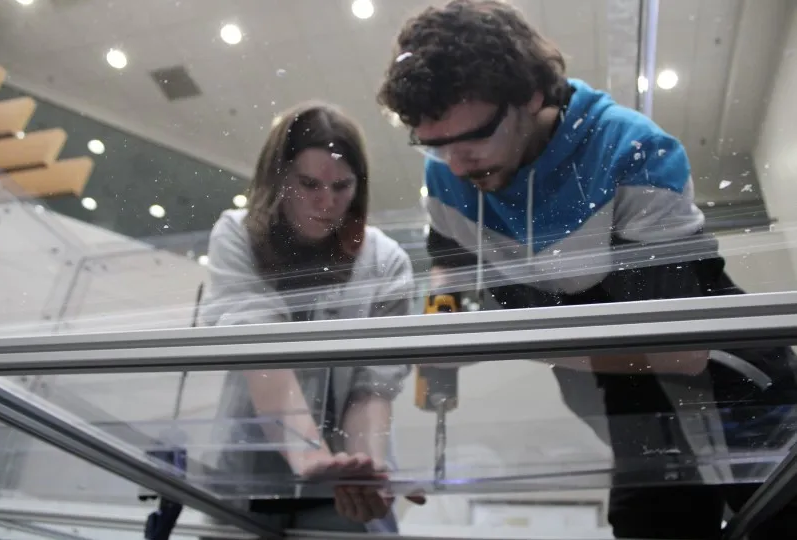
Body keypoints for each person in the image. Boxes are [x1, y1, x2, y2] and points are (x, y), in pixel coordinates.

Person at [377, 1, 797, 538]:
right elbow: (449, 259)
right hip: (634, 408)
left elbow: (680, 350)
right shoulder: (448, 179)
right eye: (435, 146)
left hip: (741, 399)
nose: (458, 165)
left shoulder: (630, 151)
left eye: (474, 137)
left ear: (530, 93)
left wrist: (497, 341)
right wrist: (443, 311)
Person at [198, 101, 424, 534]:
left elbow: (372, 387)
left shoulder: (386, 261)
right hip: (245, 482)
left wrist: (366, 471)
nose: (327, 202)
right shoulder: (236, 234)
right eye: (309, 184)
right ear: (279, 177)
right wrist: (312, 457)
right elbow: (262, 353)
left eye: (342, 186)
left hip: (340, 492)